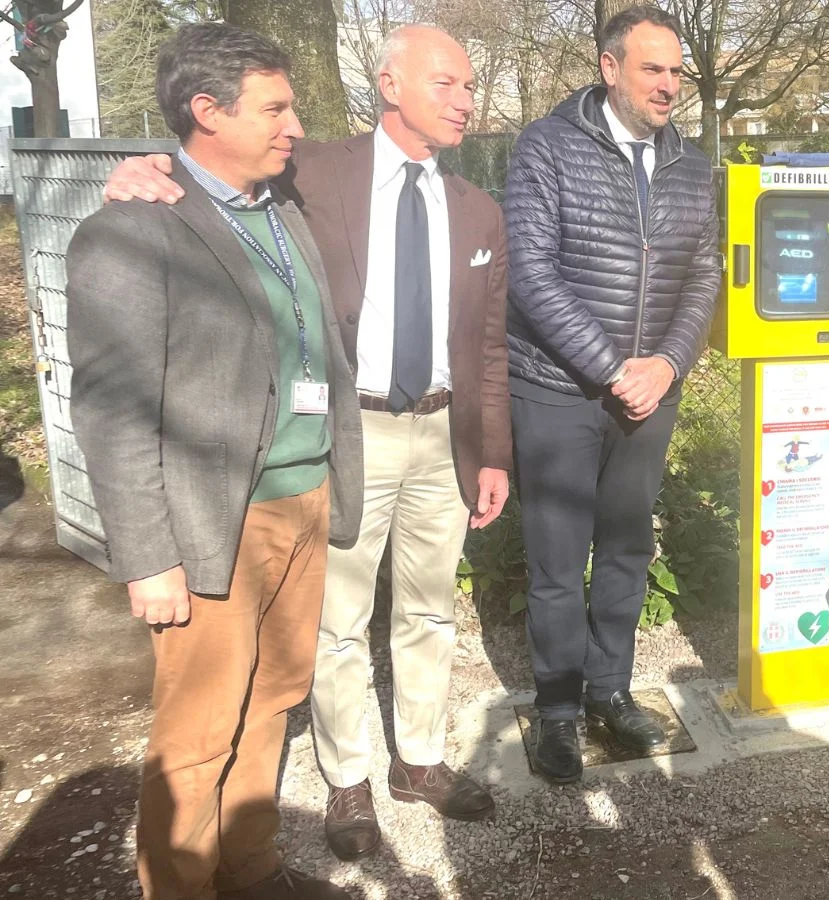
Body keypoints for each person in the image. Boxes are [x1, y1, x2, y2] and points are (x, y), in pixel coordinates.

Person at [103, 23, 513, 860]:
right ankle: (347, 777)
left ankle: (421, 761)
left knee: (431, 608)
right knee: (338, 620)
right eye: (449, 83)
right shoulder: (312, 171)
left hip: (442, 434)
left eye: (471, 87)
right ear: (389, 83)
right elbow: (209, 160)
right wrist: (142, 167)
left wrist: (494, 449)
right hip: (349, 431)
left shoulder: (478, 207)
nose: (467, 100)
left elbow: (492, 345)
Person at [68, 23, 358, 899]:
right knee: (195, 737)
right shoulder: (132, 232)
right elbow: (112, 411)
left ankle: (252, 870)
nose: (296, 125)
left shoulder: (281, 210)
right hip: (209, 526)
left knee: (272, 704)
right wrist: (148, 556)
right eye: (275, 107)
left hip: (302, 503)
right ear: (206, 112)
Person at [502, 5, 720, 784]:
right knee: (559, 560)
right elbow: (529, 272)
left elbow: (704, 276)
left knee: (627, 547)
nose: (667, 86)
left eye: (676, 72)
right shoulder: (547, 147)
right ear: (609, 67)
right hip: (558, 389)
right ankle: (557, 710)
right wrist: (610, 367)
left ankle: (610, 691)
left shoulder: (694, 165)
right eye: (651, 69)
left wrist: (666, 364)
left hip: (650, 394)